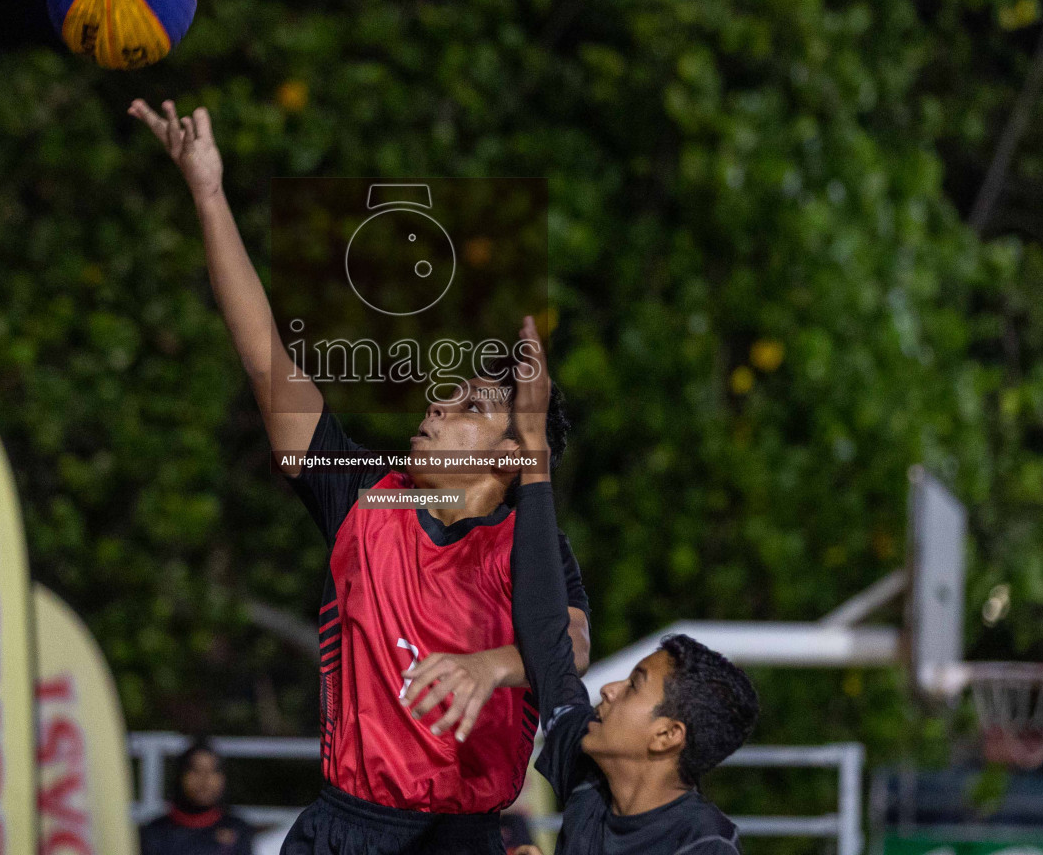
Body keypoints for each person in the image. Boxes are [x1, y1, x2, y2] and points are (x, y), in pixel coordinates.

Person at [129, 99, 593, 855]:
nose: (440, 402)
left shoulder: (529, 544)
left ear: (511, 458)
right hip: (346, 828)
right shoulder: (362, 497)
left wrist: (496, 664)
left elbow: (570, 646)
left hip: (461, 836)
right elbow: (264, 360)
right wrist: (208, 193)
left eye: (472, 404)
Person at [504, 317, 760, 855]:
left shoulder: (704, 846)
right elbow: (547, 640)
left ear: (667, 736)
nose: (609, 688)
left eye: (636, 684)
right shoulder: (590, 775)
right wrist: (532, 454)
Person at [140, 738, 257, 855]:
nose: (204, 779)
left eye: (213, 771)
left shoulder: (237, 829)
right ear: (180, 776)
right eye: (195, 770)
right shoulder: (156, 832)